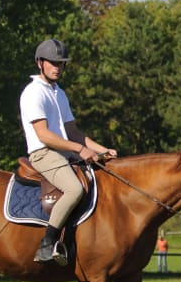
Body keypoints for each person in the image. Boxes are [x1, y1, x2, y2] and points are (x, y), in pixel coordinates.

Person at [20, 38, 117, 265]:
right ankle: (47, 244)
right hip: (43, 153)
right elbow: (43, 135)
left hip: (64, 152)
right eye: (52, 62)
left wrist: (103, 150)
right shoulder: (33, 92)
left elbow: (73, 132)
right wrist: (80, 150)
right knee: (74, 189)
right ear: (40, 63)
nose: (57, 67)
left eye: (61, 63)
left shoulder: (59, 93)